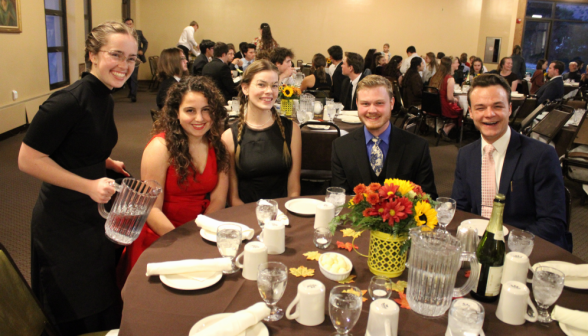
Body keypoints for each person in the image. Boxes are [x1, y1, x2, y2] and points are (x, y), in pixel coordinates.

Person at [17, 21, 137, 335]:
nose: (125, 65)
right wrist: (88, 184)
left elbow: (76, 142)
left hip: (90, 215)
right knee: (73, 303)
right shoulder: (67, 101)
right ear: (93, 55)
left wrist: (104, 160)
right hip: (63, 222)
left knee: (100, 293)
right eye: (116, 55)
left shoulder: (105, 96)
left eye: (132, 58)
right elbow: (28, 160)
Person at [118, 76, 230, 283]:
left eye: (206, 109)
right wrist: (183, 243)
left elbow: (218, 199)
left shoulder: (218, 145)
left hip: (201, 227)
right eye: (190, 110)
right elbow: (151, 209)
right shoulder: (160, 148)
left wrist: (201, 235)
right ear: (176, 113)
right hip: (162, 233)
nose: (200, 118)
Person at [451, 74, 570, 251]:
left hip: (522, 251)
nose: (489, 114)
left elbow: (553, 223)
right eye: (480, 108)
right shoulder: (466, 155)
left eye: (497, 106)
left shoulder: (540, 156)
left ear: (510, 109)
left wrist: (501, 248)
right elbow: (460, 210)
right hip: (474, 249)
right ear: (471, 112)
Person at [331, 75, 437, 197]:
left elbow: (429, 198)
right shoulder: (341, 147)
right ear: (357, 104)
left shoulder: (417, 147)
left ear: (392, 103)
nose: (372, 110)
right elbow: (339, 200)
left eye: (379, 103)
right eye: (365, 103)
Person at [221, 60, 301, 205]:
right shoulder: (229, 137)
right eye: (261, 85)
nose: (269, 91)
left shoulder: (292, 130)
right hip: (246, 216)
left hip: (282, 215)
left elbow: (293, 187)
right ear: (245, 88)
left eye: (274, 85)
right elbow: (233, 197)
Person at [123, 18, 148, 103]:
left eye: (130, 24)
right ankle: (131, 90)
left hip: (136, 57)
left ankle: (133, 95)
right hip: (126, 57)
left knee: (133, 75)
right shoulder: (122, 34)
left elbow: (145, 42)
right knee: (128, 75)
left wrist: (142, 51)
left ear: (133, 24)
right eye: (127, 24)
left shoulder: (138, 33)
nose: (129, 25)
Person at [437, 56, 462, 137]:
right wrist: (456, 99)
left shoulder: (438, 76)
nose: (458, 64)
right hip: (445, 106)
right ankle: (445, 130)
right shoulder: (450, 79)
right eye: (457, 62)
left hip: (437, 104)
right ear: (451, 65)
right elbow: (449, 98)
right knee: (460, 111)